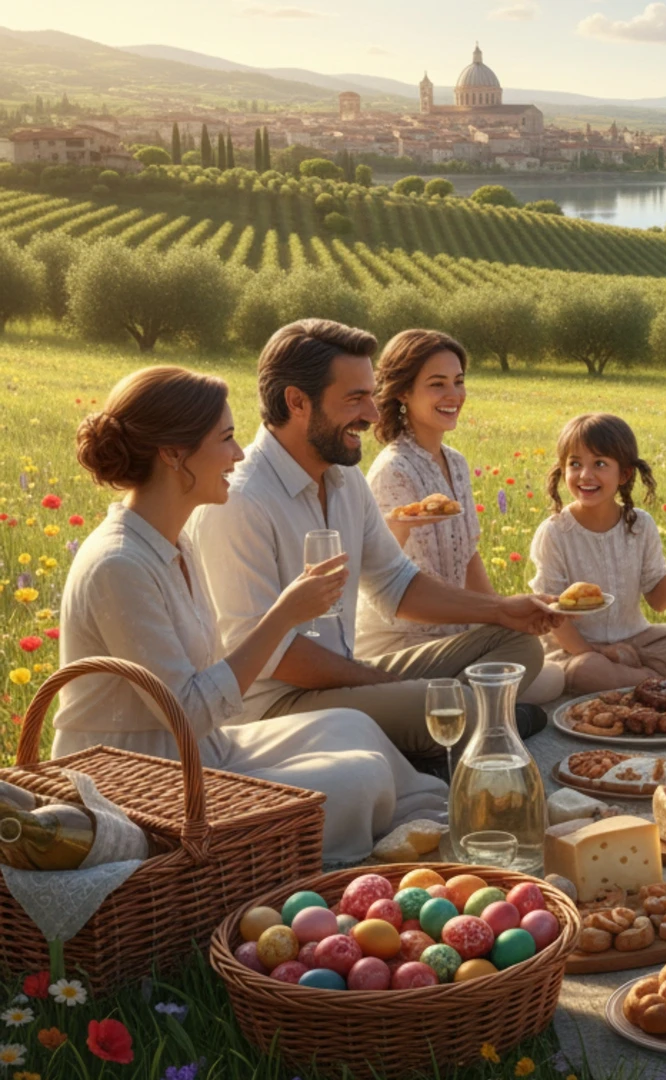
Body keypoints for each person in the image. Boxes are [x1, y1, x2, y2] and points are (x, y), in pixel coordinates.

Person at [59, 366, 444, 864]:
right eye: (225, 439)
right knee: (359, 775)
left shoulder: (175, 540)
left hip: (201, 750)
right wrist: (283, 616)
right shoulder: (119, 564)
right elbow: (187, 712)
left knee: (352, 725)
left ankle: (437, 817)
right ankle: (392, 841)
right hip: (144, 783)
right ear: (173, 453)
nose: (239, 455)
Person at [188, 319, 560, 768]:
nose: (373, 414)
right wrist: (381, 683)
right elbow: (269, 655)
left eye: (371, 395)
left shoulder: (344, 479)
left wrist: (500, 610)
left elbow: (396, 584)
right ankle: (453, 731)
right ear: (297, 401)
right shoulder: (242, 501)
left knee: (518, 647)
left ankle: (433, 735)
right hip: (275, 704)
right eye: (355, 398)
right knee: (452, 704)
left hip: (346, 679)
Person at [363, 330, 569, 701]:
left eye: (458, 382)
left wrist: (509, 617)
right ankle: (456, 707)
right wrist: (499, 614)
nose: (454, 395)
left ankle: (476, 705)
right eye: (437, 384)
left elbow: (468, 555)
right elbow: (392, 588)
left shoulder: (455, 462)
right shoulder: (392, 471)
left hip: (459, 633)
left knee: (549, 675)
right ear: (403, 392)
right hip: (404, 643)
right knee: (540, 674)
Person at [529, 413, 666, 694]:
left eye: (599, 464)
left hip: (636, 640)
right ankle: (657, 682)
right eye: (575, 464)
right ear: (562, 470)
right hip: (577, 647)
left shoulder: (640, 525)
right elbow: (552, 616)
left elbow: (658, 601)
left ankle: (633, 676)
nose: (585, 475)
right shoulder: (555, 533)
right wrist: (596, 652)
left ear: (624, 474)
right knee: (587, 672)